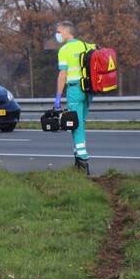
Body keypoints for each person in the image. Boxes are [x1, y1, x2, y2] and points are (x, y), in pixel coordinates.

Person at [54, 21, 92, 174]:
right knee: (80, 123)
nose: (57, 35)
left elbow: (63, 74)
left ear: (66, 31)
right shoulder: (85, 45)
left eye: (59, 31)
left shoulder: (64, 50)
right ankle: (77, 158)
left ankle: (83, 160)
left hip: (75, 89)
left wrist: (58, 96)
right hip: (88, 90)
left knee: (75, 125)